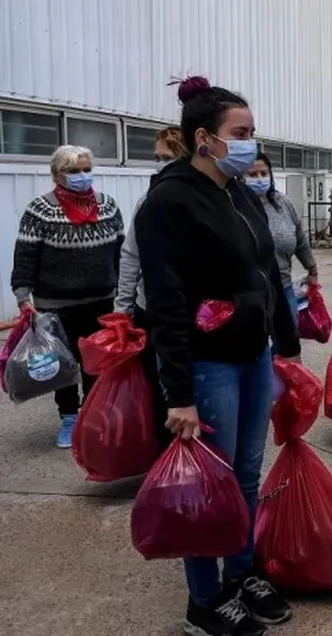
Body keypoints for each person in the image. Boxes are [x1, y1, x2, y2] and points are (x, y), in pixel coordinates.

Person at [134, 76, 301, 636]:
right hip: (208, 366)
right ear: (204, 138)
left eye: (254, 132)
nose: (252, 142)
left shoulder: (238, 193)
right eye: (241, 132)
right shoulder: (168, 202)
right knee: (208, 484)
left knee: (247, 474)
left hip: (253, 356)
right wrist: (177, 393)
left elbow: (269, 274)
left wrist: (287, 347)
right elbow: (165, 303)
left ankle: (242, 569)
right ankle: (205, 600)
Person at [10, 145, 125, 448]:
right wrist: (23, 296)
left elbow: (120, 254)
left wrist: (125, 293)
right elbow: (25, 257)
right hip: (56, 305)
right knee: (62, 365)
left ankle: (92, 414)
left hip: (102, 301)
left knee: (96, 363)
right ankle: (69, 418)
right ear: (57, 174)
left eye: (86, 169)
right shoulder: (40, 211)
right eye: (74, 171)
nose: (82, 176)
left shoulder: (108, 206)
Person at [114, 127, 188, 449]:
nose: (159, 165)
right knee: (161, 389)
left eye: (167, 158)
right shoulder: (149, 198)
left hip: (194, 311)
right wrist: (122, 309)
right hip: (153, 309)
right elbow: (131, 254)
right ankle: (165, 457)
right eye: (156, 158)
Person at [245, 151, 319, 328]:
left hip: (284, 287)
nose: (260, 179)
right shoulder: (236, 206)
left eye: (264, 173)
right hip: (250, 293)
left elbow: (300, 239)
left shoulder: (283, 203)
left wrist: (312, 269)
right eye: (252, 175)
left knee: (287, 343)